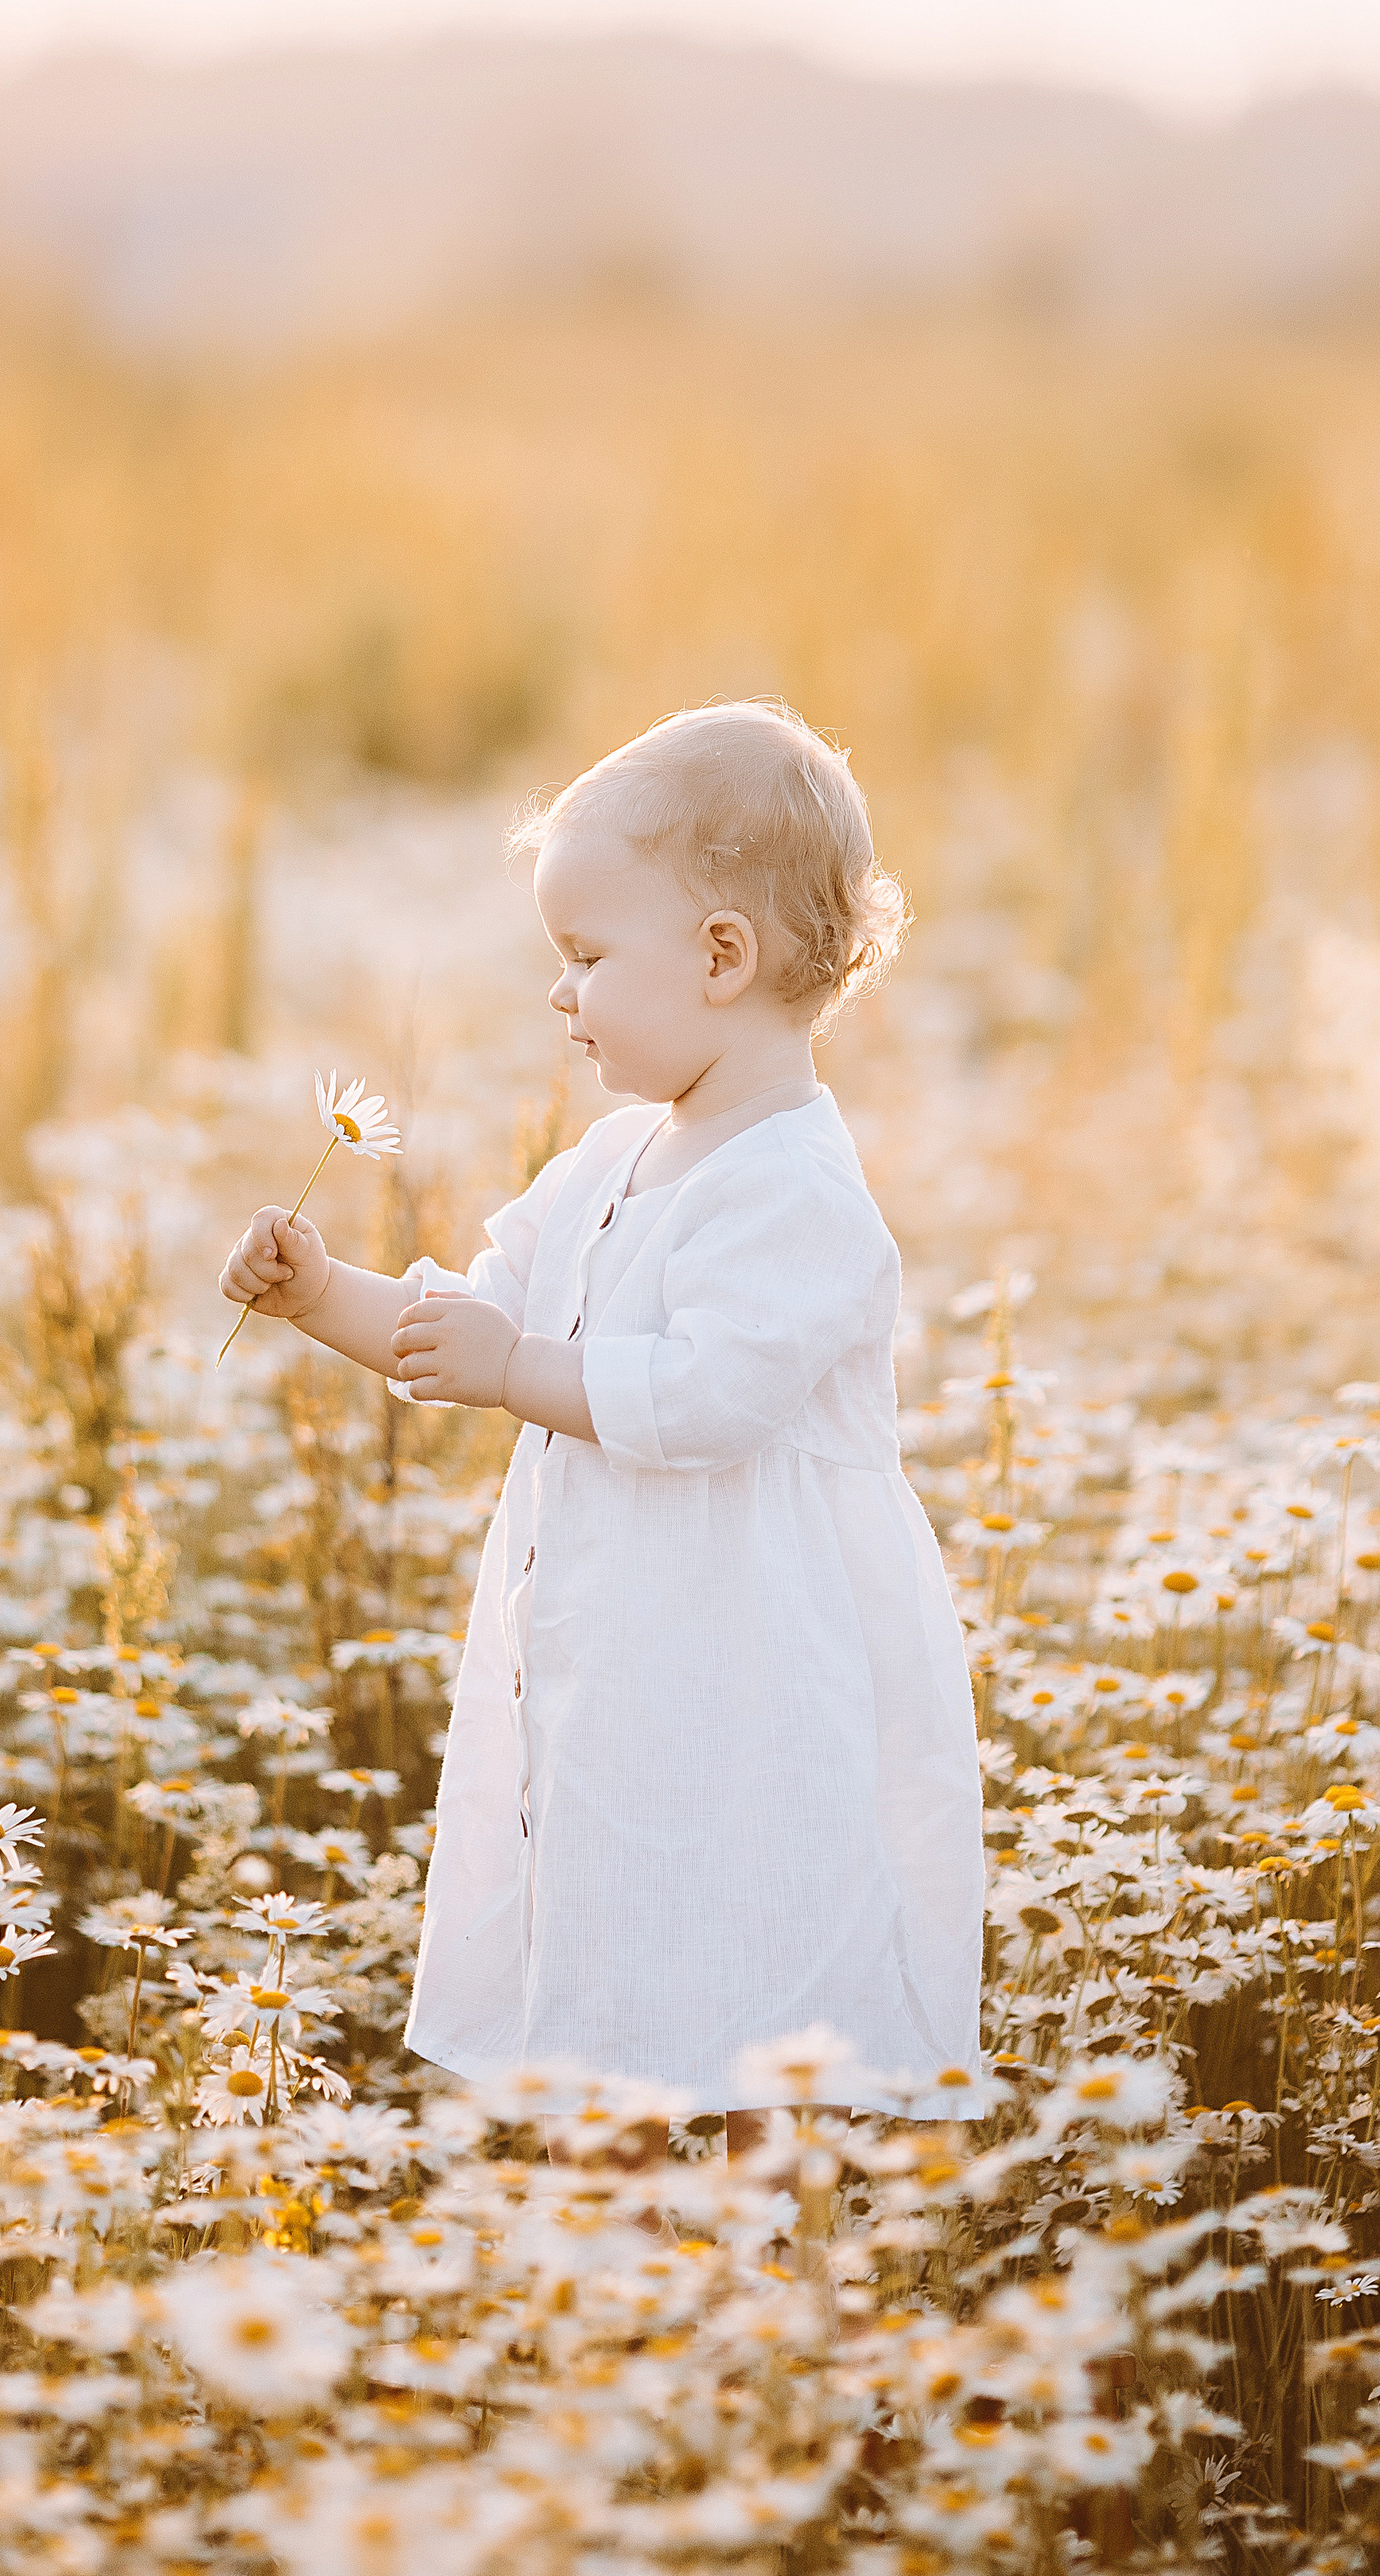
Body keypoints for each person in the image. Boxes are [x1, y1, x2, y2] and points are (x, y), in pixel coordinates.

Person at [219, 700, 984, 2151]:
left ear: (719, 959)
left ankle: (763, 2278)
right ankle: (626, 2265)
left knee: (755, 1978)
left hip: (748, 1689)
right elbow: (469, 1329)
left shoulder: (797, 1190)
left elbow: (702, 1397)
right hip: (619, 1676)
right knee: (616, 1962)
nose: (559, 999)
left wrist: (516, 1370)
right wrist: (323, 1294)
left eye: (582, 960)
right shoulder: (612, 1158)